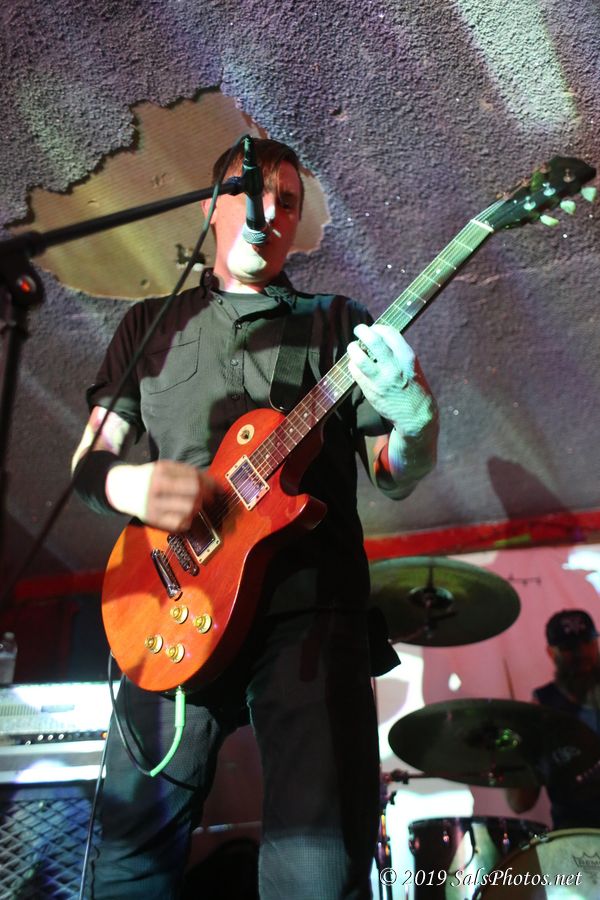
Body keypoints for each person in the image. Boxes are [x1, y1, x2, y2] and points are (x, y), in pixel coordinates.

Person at [71, 138, 438, 899]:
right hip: (170, 602)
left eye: (287, 202)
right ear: (213, 206)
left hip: (309, 608)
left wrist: (416, 420)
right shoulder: (148, 325)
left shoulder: (338, 324)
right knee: (127, 862)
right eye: (250, 193)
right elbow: (89, 460)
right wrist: (129, 485)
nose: (268, 213)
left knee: (318, 865)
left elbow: (394, 474)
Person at [506, 608, 600, 829]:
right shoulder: (540, 708)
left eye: (587, 643)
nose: (581, 654)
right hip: (574, 836)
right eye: (569, 648)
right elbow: (519, 803)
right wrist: (527, 746)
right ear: (551, 652)